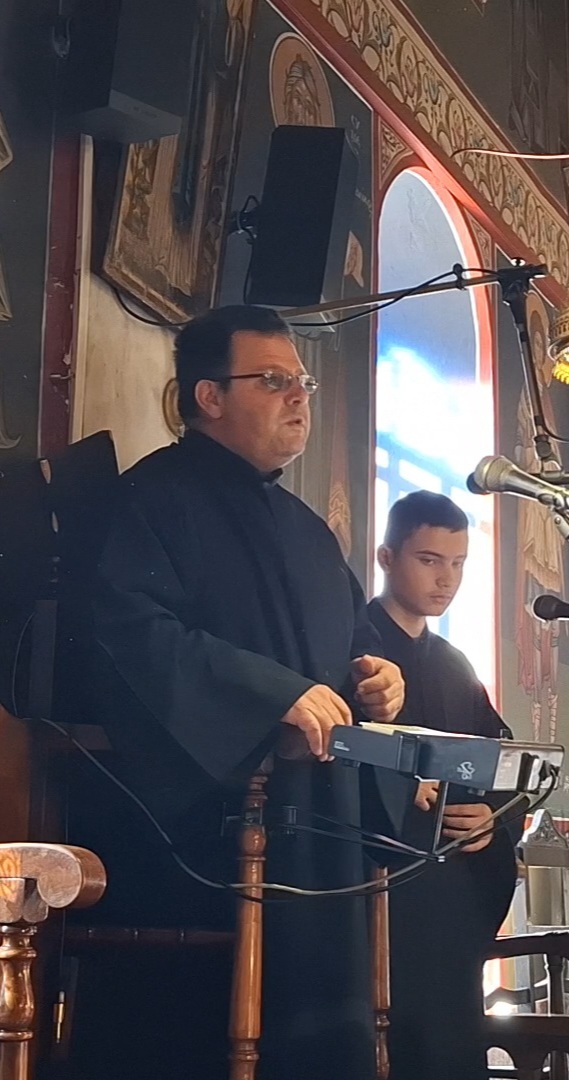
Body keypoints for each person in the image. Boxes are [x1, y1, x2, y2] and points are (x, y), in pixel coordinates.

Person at [71, 304, 404, 1080]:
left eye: (303, 383)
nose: (299, 398)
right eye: (274, 380)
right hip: (203, 843)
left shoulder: (307, 528)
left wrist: (380, 679)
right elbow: (130, 634)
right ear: (209, 396)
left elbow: (359, 643)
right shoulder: (149, 499)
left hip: (321, 830)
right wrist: (270, 697)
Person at [369, 490, 522, 1080]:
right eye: (429, 560)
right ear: (387, 557)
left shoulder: (455, 664)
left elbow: (504, 764)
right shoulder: (354, 644)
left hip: (454, 896)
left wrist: (491, 821)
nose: (446, 579)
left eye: (458, 563)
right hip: (381, 889)